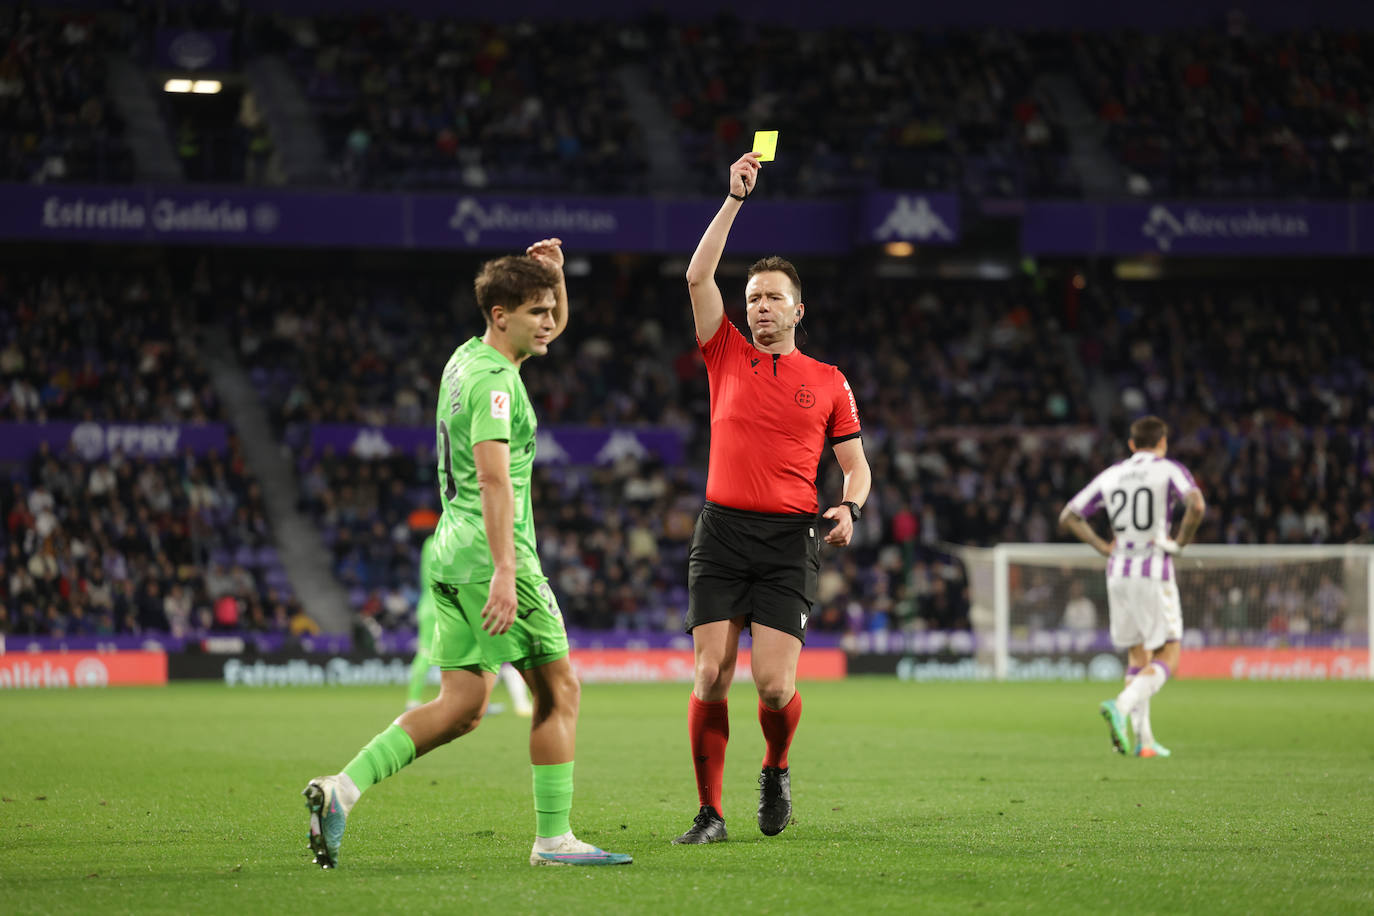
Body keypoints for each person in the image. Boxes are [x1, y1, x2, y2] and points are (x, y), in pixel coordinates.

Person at [302, 238, 631, 869]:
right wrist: (508, 571)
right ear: (503, 314)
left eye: (549, 308)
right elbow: (493, 478)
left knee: (462, 707)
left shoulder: (467, 359)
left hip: (450, 553)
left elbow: (548, 332)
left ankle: (340, 791)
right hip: (492, 554)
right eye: (537, 310)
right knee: (560, 689)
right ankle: (554, 840)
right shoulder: (497, 386)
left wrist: (555, 280)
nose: (550, 321)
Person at [673, 151, 872, 844]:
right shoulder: (722, 352)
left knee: (774, 689)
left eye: (772, 297)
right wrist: (733, 199)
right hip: (722, 532)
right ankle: (709, 814)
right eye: (753, 296)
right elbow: (699, 274)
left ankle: (776, 768)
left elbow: (856, 466)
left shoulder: (828, 380)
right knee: (708, 674)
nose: (759, 306)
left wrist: (850, 506)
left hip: (791, 539)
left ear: (797, 309)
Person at [1059, 415, 1205, 759]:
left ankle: (1144, 741)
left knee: (1137, 655)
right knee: (1170, 654)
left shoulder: (1113, 474)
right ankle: (1120, 706)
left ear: (1130, 444)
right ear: (1163, 442)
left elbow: (1068, 516)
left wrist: (1101, 546)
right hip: (1152, 569)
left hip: (1118, 572)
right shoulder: (1168, 469)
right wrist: (1180, 542)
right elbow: (1195, 504)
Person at [406, 531, 533, 717]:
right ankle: (475, 703)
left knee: (426, 652)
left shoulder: (429, 543)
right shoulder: (460, 539)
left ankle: (413, 700)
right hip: (452, 603)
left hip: (427, 605)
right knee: (472, 652)